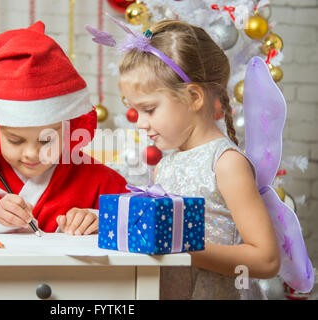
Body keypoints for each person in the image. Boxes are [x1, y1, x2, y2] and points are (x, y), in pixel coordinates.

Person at [117, 20, 281, 299]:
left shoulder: (226, 164)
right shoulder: (166, 164)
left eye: (149, 109)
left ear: (194, 97)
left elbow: (267, 260)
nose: (140, 124)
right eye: (135, 111)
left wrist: (184, 248)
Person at [0, 21, 128, 235]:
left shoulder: (98, 179)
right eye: (15, 140)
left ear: (70, 128)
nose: (32, 153)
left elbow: (135, 223)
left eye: (47, 140)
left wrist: (99, 219)